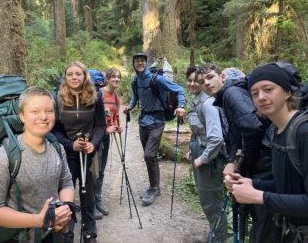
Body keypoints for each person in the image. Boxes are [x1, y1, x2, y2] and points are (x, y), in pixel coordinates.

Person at [231, 62, 308, 243]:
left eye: (268, 89)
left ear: (288, 92)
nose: (261, 97)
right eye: (254, 93)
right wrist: (253, 183)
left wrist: (259, 197)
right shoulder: (276, 130)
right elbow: (291, 186)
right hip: (293, 233)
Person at [196, 63, 281, 243]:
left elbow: (252, 127)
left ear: (223, 77)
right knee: (260, 221)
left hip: (264, 167)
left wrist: (242, 163)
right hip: (264, 165)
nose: (207, 83)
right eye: (202, 81)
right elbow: (236, 132)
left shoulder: (231, 94)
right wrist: (232, 160)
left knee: (263, 224)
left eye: (210, 77)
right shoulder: (224, 97)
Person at [0, 86, 75, 242]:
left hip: (51, 234)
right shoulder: (4, 158)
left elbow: (66, 183)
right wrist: (40, 220)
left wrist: (64, 210)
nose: (43, 117)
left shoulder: (57, 148)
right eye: (34, 111)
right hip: (17, 238)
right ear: (22, 116)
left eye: (49, 111)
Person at [52, 61, 105, 243]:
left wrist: (94, 144)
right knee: (65, 195)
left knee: (87, 196)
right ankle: (66, 233)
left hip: (89, 153)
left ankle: (89, 233)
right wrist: (70, 144)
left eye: (78, 74)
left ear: (85, 76)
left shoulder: (96, 96)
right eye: (70, 74)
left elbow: (100, 125)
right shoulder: (57, 98)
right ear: (65, 78)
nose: (74, 77)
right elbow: (55, 130)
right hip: (67, 153)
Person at [124, 52, 186, 206]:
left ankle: (153, 188)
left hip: (157, 121)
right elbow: (135, 96)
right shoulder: (135, 81)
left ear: (146, 63)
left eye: (142, 61)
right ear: (134, 64)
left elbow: (179, 90)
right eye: (137, 61)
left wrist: (181, 106)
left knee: (149, 155)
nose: (139, 63)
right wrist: (130, 107)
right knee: (149, 157)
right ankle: (155, 186)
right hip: (143, 121)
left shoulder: (156, 79)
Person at [186, 66, 227, 242]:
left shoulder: (208, 103)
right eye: (191, 80)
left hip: (210, 160)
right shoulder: (198, 101)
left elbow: (216, 138)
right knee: (207, 200)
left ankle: (217, 239)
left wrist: (202, 159)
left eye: (198, 80)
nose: (194, 83)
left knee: (212, 203)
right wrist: (193, 149)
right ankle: (214, 235)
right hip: (200, 152)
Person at [94, 68, 122, 219]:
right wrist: (106, 129)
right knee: (94, 171)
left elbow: (115, 116)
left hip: (106, 137)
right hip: (96, 137)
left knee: (102, 171)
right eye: (113, 77)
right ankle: (91, 203)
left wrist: (117, 126)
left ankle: (97, 199)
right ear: (108, 78)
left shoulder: (116, 96)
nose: (116, 79)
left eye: (118, 77)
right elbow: (93, 119)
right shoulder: (100, 94)